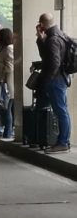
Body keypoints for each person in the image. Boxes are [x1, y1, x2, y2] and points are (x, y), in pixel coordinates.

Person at [36, 13, 71, 153]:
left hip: (55, 80)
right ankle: (63, 141)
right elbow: (46, 55)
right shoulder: (59, 35)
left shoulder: (52, 40)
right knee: (62, 110)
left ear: (42, 25)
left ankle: (63, 142)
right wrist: (40, 38)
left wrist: (48, 78)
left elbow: (54, 62)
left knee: (61, 111)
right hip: (61, 78)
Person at [0, 28, 15, 141]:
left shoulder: (8, 49)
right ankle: (8, 131)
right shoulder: (7, 49)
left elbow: (10, 68)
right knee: (6, 108)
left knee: (6, 109)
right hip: (6, 83)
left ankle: (8, 132)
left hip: (6, 84)